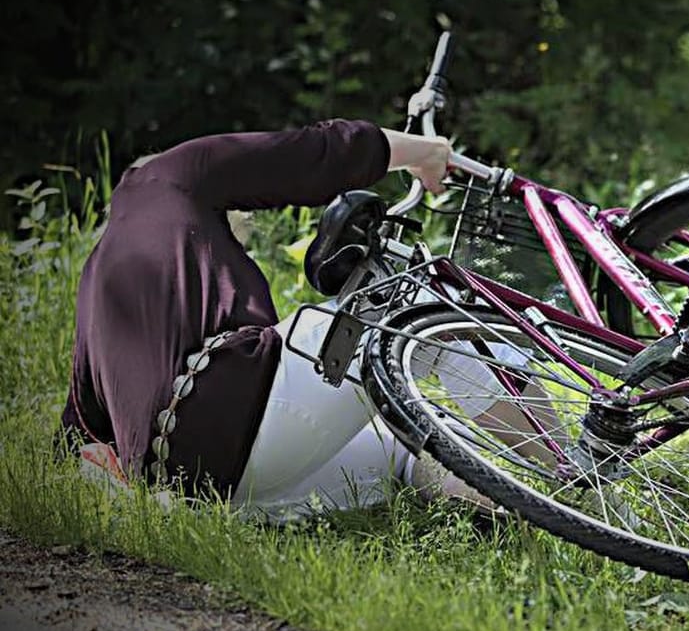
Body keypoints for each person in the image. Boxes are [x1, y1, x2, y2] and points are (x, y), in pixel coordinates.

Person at [62, 118, 490, 520]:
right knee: (419, 304)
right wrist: (422, 152)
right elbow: (315, 153)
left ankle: (514, 514)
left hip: (203, 490)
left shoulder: (99, 280)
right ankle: (540, 449)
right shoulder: (168, 174)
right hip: (230, 417)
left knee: (404, 443)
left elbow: (78, 429)